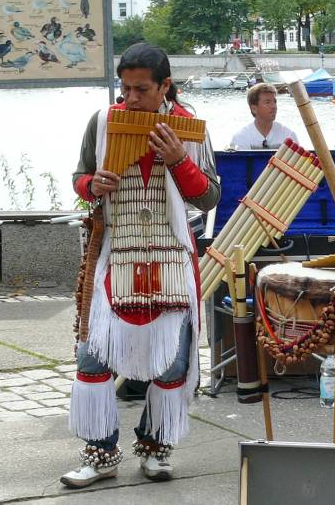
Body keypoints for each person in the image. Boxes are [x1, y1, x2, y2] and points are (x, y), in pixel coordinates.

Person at [62, 42, 220, 487]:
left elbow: (209, 196)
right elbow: (78, 176)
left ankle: (155, 448)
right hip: (118, 250)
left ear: (165, 86)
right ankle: (100, 453)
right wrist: (94, 184)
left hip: (171, 252)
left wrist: (178, 160)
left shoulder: (189, 127)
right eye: (124, 88)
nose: (129, 99)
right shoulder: (102, 123)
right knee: (92, 358)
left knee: (172, 363)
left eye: (141, 90)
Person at [229, 83, 299, 149]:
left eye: (274, 101)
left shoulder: (289, 136)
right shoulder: (240, 138)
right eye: (267, 102)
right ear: (254, 108)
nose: (274, 106)